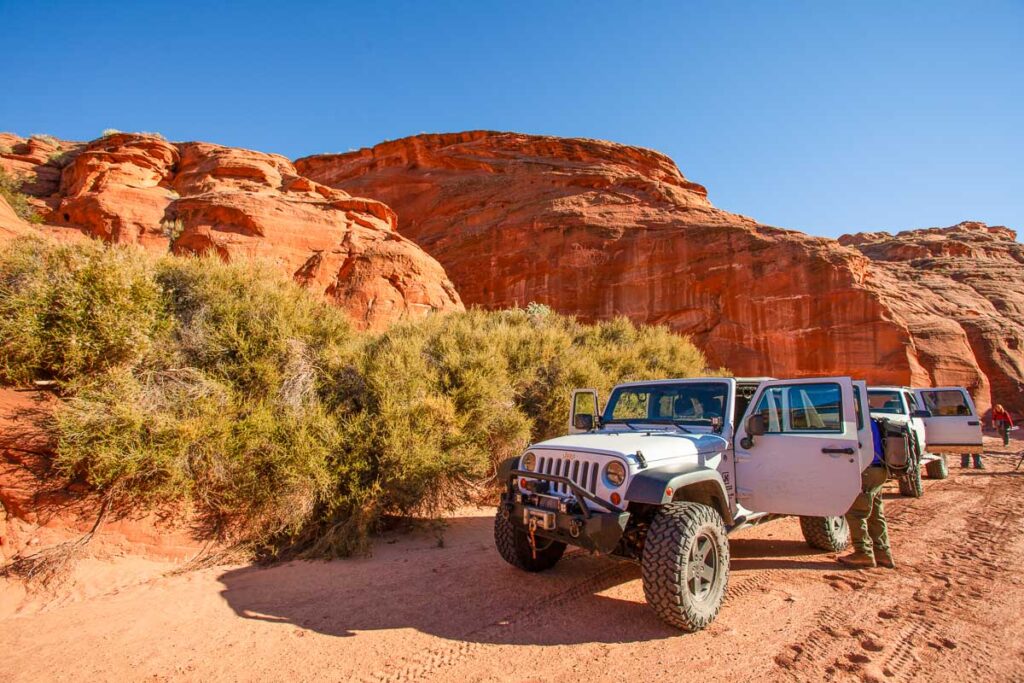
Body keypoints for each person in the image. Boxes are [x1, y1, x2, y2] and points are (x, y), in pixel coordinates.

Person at [839, 418, 894, 569]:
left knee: (857, 513)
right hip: (880, 470)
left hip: (866, 471)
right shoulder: (872, 421)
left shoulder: (855, 422)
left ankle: (863, 553)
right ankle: (884, 554)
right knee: (876, 514)